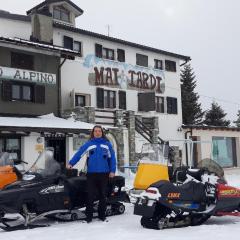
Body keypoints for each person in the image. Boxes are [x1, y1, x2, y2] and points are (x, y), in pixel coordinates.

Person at [68, 125, 116, 223]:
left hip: (104, 174)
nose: (97, 133)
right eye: (96, 131)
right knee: (90, 195)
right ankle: (88, 217)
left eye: (99, 131)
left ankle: (102, 216)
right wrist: (71, 163)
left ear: (102, 133)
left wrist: (112, 171)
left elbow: (112, 159)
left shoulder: (107, 144)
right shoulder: (89, 144)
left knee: (103, 195)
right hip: (91, 174)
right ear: (93, 133)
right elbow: (79, 153)